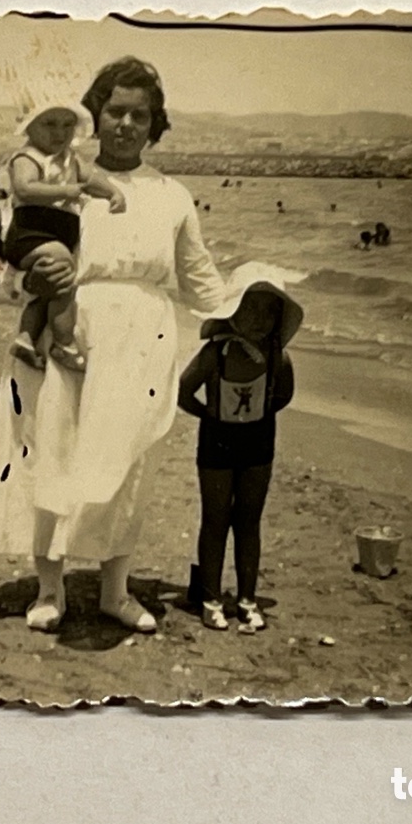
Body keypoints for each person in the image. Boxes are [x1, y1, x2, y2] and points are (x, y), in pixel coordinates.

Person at [0, 56, 225, 634]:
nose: (127, 124)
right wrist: (29, 281)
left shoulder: (174, 195)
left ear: (155, 125)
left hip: (146, 337)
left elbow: (199, 275)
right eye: (116, 111)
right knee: (52, 448)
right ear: (94, 118)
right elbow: (14, 252)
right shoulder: (65, 184)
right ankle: (50, 588)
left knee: (128, 464)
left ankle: (114, 590)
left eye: (141, 115)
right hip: (71, 325)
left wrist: (243, 318)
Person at [178, 265, 300, 632]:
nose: (260, 319)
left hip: (259, 444)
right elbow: (183, 390)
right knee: (215, 520)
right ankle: (211, 598)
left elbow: (283, 395)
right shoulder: (216, 354)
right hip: (217, 441)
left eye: (269, 311)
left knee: (249, 521)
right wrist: (210, 416)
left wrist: (255, 418)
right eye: (250, 308)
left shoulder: (278, 357)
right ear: (232, 310)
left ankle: (247, 599)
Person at [1, 100, 125, 371]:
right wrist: (65, 191)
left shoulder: (71, 159)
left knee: (49, 289)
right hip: (31, 230)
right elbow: (24, 189)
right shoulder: (28, 157)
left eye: (68, 125)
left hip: (55, 233)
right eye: (49, 124)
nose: (60, 132)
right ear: (29, 128)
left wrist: (113, 192)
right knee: (63, 276)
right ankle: (63, 343)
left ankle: (26, 338)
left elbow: (91, 179)